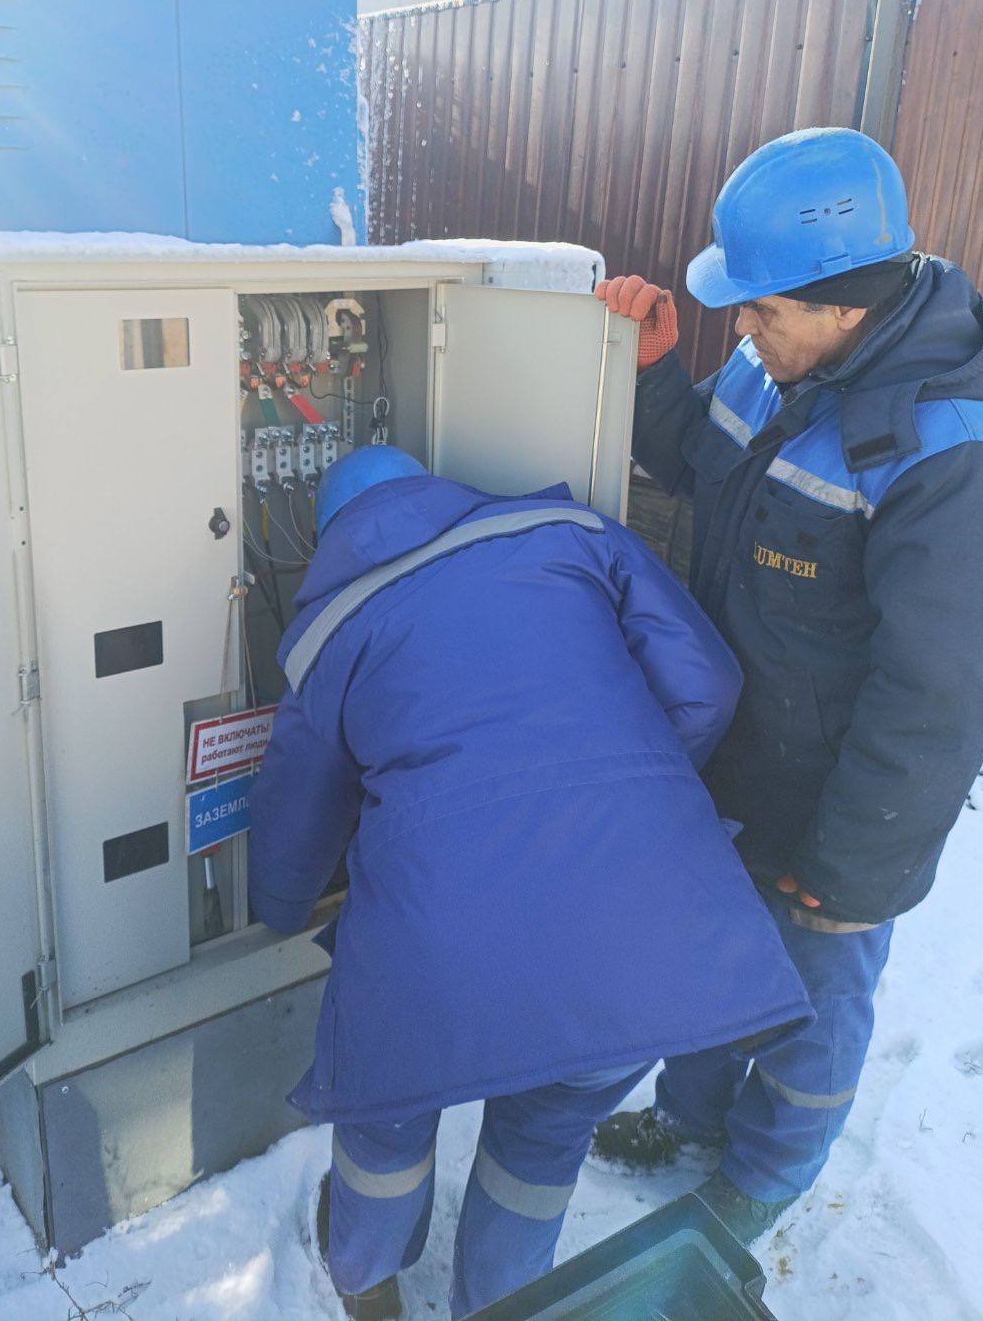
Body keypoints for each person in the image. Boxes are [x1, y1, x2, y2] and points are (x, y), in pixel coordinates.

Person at [249, 443, 812, 1320]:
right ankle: (501, 1305)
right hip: (638, 931)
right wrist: (620, 792)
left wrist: (281, 908)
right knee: (545, 1136)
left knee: (388, 1118)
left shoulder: (331, 631)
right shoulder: (572, 531)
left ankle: (366, 1277)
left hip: (436, 950)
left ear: (332, 538)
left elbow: (295, 821)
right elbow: (706, 684)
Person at [592, 126, 983, 1241]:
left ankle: (764, 1176)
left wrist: (856, 867)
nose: (742, 329)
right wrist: (653, 373)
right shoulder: (778, 357)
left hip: (834, 804)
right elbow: (699, 464)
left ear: (844, 306)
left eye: (761, 310)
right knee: (710, 955)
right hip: (737, 756)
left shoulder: (950, 449)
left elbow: (943, 691)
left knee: (810, 1002)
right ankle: (689, 1115)